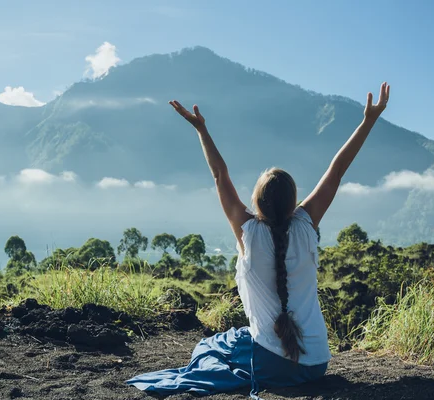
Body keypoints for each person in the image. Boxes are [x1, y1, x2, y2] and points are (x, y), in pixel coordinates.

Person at [127, 83, 390, 398]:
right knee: (234, 340)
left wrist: (201, 130)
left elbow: (220, 176)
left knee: (211, 347)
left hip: (272, 363)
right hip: (318, 362)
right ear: (293, 202)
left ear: (258, 203)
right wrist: (368, 121)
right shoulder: (307, 223)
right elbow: (336, 171)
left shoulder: (248, 232)